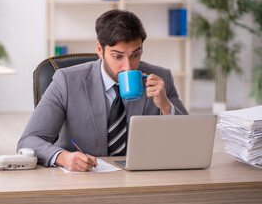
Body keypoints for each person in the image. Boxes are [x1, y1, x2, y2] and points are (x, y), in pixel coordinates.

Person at [17, 9, 188, 172]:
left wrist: (166, 107)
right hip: (86, 179)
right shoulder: (66, 81)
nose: (127, 67)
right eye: (117, 56)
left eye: (135, 55)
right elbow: (29, 141)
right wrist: (63, 157)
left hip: (143, 179)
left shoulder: (160, 78)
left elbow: (188, 140)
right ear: (100, 50)